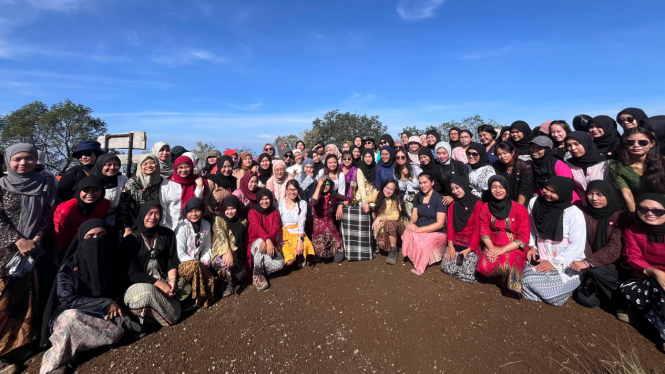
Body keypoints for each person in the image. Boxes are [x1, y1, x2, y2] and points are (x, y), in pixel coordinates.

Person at [39, 220, 133, 374]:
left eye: (101, 235)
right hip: (70, 312)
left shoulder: (112, 258)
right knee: (72, 319)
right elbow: (67, 300)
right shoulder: (69, 267)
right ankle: (56, 366)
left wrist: (112, 303)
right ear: (81, 239)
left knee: (119, 328)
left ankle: (81, 346)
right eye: (90, 236)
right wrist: (104, 304)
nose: (96, 240)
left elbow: (120, 285)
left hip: (104, 314)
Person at [0, 143, 57, 372]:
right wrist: (17, 240)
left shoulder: (43, 184)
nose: (23, 163)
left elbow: (46, 214)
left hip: (31, 253)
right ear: (8, 161)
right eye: (18, 159)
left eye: (29, 159)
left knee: (23, 301)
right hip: (3, 253)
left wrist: (36, 239)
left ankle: (12, 347)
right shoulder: (1, 185)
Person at [523, 177, 586, 306]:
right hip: (542, 251)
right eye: (546, 188)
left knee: (549, 293)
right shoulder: (535, 202)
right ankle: (556, 296)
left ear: (563, 192)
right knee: (525, 280)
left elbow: (577, 245)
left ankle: (553, 296)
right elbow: (531, 228)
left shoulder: (573, 213)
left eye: (553, 192)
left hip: (566, 259)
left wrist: (554, 263)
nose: (547, 193)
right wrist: (532, 246)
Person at [573, 181, 631, 309]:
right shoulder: (584, 213)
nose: (594, 198)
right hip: (588, 261)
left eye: (599, 194)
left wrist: (590, 263)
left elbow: (616, 247)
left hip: (614, 265)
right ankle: (600, 289)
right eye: (590, 194)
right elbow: (583, 240)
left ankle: (622, 303)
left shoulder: (620, 217)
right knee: (587, 300)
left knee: (598, 273)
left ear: (609, 195)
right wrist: (588, 263)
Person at [122, 201, 181, 327]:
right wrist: (160, 284)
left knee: (180, 293)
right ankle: (139, 318)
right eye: (149, 213)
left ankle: (149, 318)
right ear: (142, 214)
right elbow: (132, 273)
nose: (153, 217)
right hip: (139, 285)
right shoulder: (131, 240)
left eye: (157, 213)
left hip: (163, 279)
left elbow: (171, 260)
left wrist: (172, 281)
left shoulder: (167, 234)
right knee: (146, 292)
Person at [619, 193, 665, 346]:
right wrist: (654, 272)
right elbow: (632, 257)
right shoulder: (632, 231)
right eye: (643, 209)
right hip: (645, 278)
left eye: (657, 211)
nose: (649, 214)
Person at [476, 176, 530, 296]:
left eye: (501, 187)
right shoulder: (486, 207)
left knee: (506, 264)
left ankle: (510, 286)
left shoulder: (519, 209)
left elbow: (523, 237)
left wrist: (502, 250)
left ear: (507, 188)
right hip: (493, 244)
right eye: (493, 187)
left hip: (513, 246)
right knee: (482, 268)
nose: (498, 190)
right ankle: (499, 277)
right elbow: (484, 231)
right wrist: (492, 249)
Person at [401, 172, 448, 275]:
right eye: (420, 183)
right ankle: (414, 256)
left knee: (424, 242)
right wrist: (411, 223)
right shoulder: (418, 196)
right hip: (421, 228)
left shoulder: (439, 199)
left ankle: (420, 266)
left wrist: (418, 230)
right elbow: (414, 215)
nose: (422, 185)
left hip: (437, 232)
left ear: (432, 182)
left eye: (425, 182)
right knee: (407, 233)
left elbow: (440, 224)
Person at [610, 128, 665, 212]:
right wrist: (636, 217)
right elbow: (627, 195)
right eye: (630, 142)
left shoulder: (663, 162)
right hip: (641, 210)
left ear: (652, 143)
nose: (636, 145)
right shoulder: (617, 167)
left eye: (643, 142)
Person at [441, 176, 483, 283]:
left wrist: (469, 249)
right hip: (455, 241)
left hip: (471, 244)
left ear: (464, 186)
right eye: (452, 189)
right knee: (447, 268)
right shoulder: (453, 204)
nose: (455, 191)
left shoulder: (477, 204)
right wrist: (450, 245)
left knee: (467, 275)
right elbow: (449, 225)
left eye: (457, 187)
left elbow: (477, 229)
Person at [175, 197, 215, 309]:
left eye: (197, 210)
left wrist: (205, 262)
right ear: (186, 212)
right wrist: (198, 264)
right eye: (191, 211)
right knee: (196, 267)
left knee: (210, 277)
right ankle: (191, 299)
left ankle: (202, 299)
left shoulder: (206, 225)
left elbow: (207, 247)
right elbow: (180, 253)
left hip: (200, 263)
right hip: (184, 265)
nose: (194, 214)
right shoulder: (181, 227)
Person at [54, 176, 110, 253]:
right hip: (68, 246)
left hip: (92, 243)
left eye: (96, 190)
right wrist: (59, 253)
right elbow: (59, 234)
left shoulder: (105, 204)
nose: (90, 194)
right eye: (86, 190)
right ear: (79, 191)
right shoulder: (66, 209)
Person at [362, 179, 408, 264]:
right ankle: (395, 243)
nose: (388, 191)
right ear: (383, 187)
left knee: (389, 223)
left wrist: (379, 218)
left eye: (391, 189)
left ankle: (394, 251)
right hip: (385, 226)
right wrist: (365, 203)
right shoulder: (378, 194)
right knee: (381, 244)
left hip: (399, 226)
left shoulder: (396, 199)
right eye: (387, 187)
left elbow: (396, 216)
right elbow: (366, 198)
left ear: (395, 191)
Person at [118, 154, 163, 237]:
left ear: (157, 165)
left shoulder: (162, 182)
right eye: (145, 163)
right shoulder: (132, 183)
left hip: (157, 223)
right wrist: (127, 228)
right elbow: (123, 207)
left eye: (152, 163)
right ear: (140, 166)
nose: (149, 165)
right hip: (135, 226)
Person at [247, 189, 285, 290]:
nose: (264, 201)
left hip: (269, 242)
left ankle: (260, 270)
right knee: (260, 243)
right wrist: (267, 240)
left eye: (267, 198)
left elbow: (276, 228)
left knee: (280, 264)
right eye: (262, 199)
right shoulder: (252, 211)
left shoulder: (275, 212)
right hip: (255, 242)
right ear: (258, 200)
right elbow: (257, 228)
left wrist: (268, 240)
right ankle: (257, 276)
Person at [211, 196, 248, 298]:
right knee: (223, 263)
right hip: (219, 250)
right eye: (227, 209)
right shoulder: (219, 219)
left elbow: (238, 240)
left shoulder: (243, 222)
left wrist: (232, 253)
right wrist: (227, 253)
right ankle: (228, 284)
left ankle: (231, 280)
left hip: (236, 252)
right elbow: (222, 236)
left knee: (233, 266)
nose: (229, 212)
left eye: (233, 208)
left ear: (237, 208)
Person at [310, 177, 351, 262]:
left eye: (327, 184)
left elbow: (349, 199)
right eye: (323, 184)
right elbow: (313, 203)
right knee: (320, 251)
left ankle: (334, 252)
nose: (325, 186)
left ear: (331, 185)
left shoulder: (333, 195)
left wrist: (341, 205)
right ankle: (320, 253)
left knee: (338, 259)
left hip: (331, 228)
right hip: (319, 230)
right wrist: (318, 187)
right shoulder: (316, 195)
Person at [159, 156, 206, 230]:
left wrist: (200, 186)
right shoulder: (167, 183)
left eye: (187, 167)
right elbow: (163, 206)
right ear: (175, 168)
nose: (184, 170)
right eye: (180, 167)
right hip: (171, 226)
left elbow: (197, 203)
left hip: (191, 226)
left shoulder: (196, 181)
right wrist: (162, 225)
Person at [564, 131, 611, 204]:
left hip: (607, 207)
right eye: (568, 145)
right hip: (584, 207)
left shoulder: (606, 163)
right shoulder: (569, 164)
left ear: (586, 143)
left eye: (576, 144)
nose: (573, 148)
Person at [530, 136, 579, 203]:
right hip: (543, 200)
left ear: (547, 150)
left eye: (539, 148)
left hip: (563, 201)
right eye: (532, 147)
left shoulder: (558, 165)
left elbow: (565, 186)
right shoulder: (532, 164)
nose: (534, 150)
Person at [278, 180, 315, 268]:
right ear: (286, 191)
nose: (292, 192)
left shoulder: (302, 204)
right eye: (290, 190)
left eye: (294, 189)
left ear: (298, 190)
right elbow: (278, 223)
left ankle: (299, 256)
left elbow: (301, 222)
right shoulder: (279, 204)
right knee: (289, 262)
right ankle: (294, 257)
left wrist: (300, 240)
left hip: (298, 233)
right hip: (285, 235)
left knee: (304, 246)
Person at [90, 153, 128, 228]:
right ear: (100, 165)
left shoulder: (123, 179)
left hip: (117, 220)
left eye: (116, 164)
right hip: (94, 220)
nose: (112, 167)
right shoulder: (91, 180)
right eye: (108, 164)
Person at [394, 149, 420, 213]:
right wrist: (402, 175)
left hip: (417, 196)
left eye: (403, 157)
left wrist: (410, 178)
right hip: (405, 199)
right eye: (397, 157)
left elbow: (421, 184)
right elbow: (402, 188)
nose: (400, 159)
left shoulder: (415, 168)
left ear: (407, 157)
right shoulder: (396, 170)